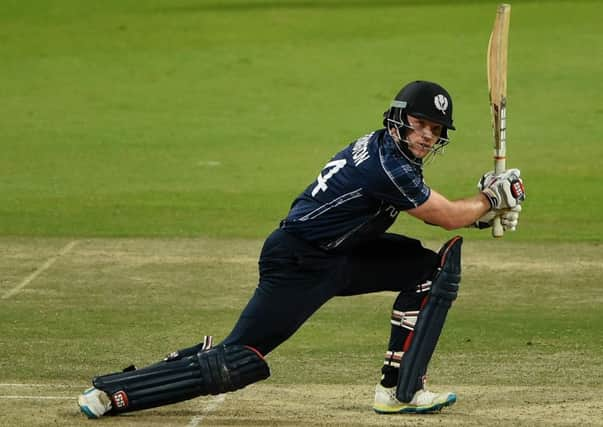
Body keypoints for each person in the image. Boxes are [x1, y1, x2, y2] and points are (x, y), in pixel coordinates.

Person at [78, 80, 525, 418]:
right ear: (398, 118)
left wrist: (484, 208)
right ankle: (115, 393)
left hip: (345, 255)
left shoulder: (389, 152)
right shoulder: (387, 165)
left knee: (428, 271)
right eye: (420, 123)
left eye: (436, 128)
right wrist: (490, 199)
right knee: (239, 360)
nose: (427, 135)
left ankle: (398, 391)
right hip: (299, 262)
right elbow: (442, 214)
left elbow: (440, 208)